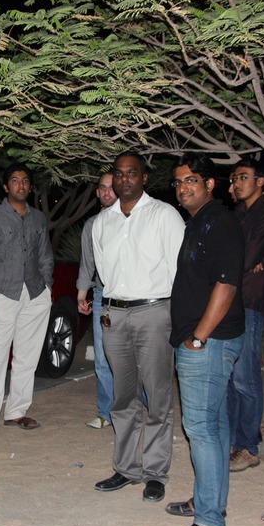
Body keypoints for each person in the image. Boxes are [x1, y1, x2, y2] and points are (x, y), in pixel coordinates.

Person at [91, 151, 185, 502]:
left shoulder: (164, 215)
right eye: (119, 173)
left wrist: (178, 318)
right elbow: (105, 272)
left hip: (154, 312)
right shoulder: (103, 222)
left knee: (158, 397)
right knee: (122, 397)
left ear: (144, 178)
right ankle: (126, 468)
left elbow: (180, 271)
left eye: (132, 173)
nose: (125, 179)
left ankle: (155, 472)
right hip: (115, 316)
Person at [165, 151, 245, 526]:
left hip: (209, 344)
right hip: (207, 342)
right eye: (179, 182)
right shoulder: (199, 221)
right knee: (215, 426)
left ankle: (210, 524)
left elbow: (227, 285)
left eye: (191, 180)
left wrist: (198, 337)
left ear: (210, 184)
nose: (183, 188)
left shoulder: (220, 222)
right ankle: (209, 501)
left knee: (200, 429)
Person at [0, 162, 54, 441]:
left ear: (30, 186)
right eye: (15, 180)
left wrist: (47, 288)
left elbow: (45, 256)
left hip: (35, 294)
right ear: (6, 186)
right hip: (4, 295)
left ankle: (16, 411)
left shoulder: (38, 219)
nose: (21, 185)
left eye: (25, 180)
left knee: (27, 358)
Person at [227, 156, 264, 472]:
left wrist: (245, 261)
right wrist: (243, 261)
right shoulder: (238, 214)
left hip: (251, 302)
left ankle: (248, 447)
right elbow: (232, 254)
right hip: (231, 301)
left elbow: (247, 258)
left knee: (245, 376)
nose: (237, 183)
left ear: (260, 181)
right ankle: (235, 441)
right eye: (234, 178)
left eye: (243, 177)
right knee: (231, 377)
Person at [77, 171, 118, 429]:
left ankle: (146, 404)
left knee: (133, 358)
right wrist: (82, 294)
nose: (106, 192)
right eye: (102, 187)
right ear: (97, 192)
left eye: (112, 187)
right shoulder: (92, 225)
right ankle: (106, 412)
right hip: (102, 295)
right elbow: (87, 262)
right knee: (102, 358)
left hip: (131, 297)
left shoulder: (132, 221)